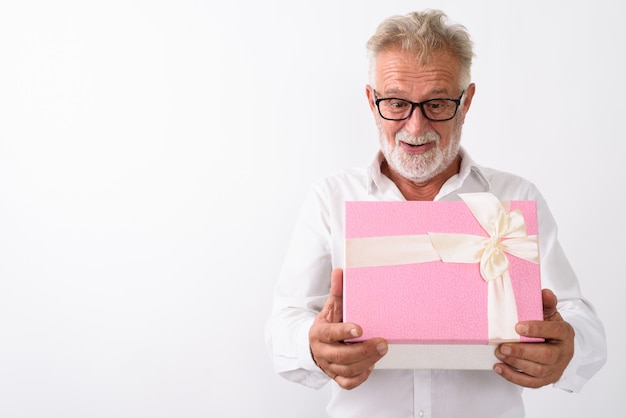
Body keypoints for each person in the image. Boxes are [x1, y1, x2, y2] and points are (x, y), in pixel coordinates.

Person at [265, 9, 607, 418]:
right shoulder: (330, 198)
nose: (415, 127)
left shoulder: (515, 197)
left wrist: (567, 344)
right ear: (372, 101)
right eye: (396, 103)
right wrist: (311, 343)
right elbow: (282, 325)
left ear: (467, 102)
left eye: (438, 104)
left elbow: (582, 323)